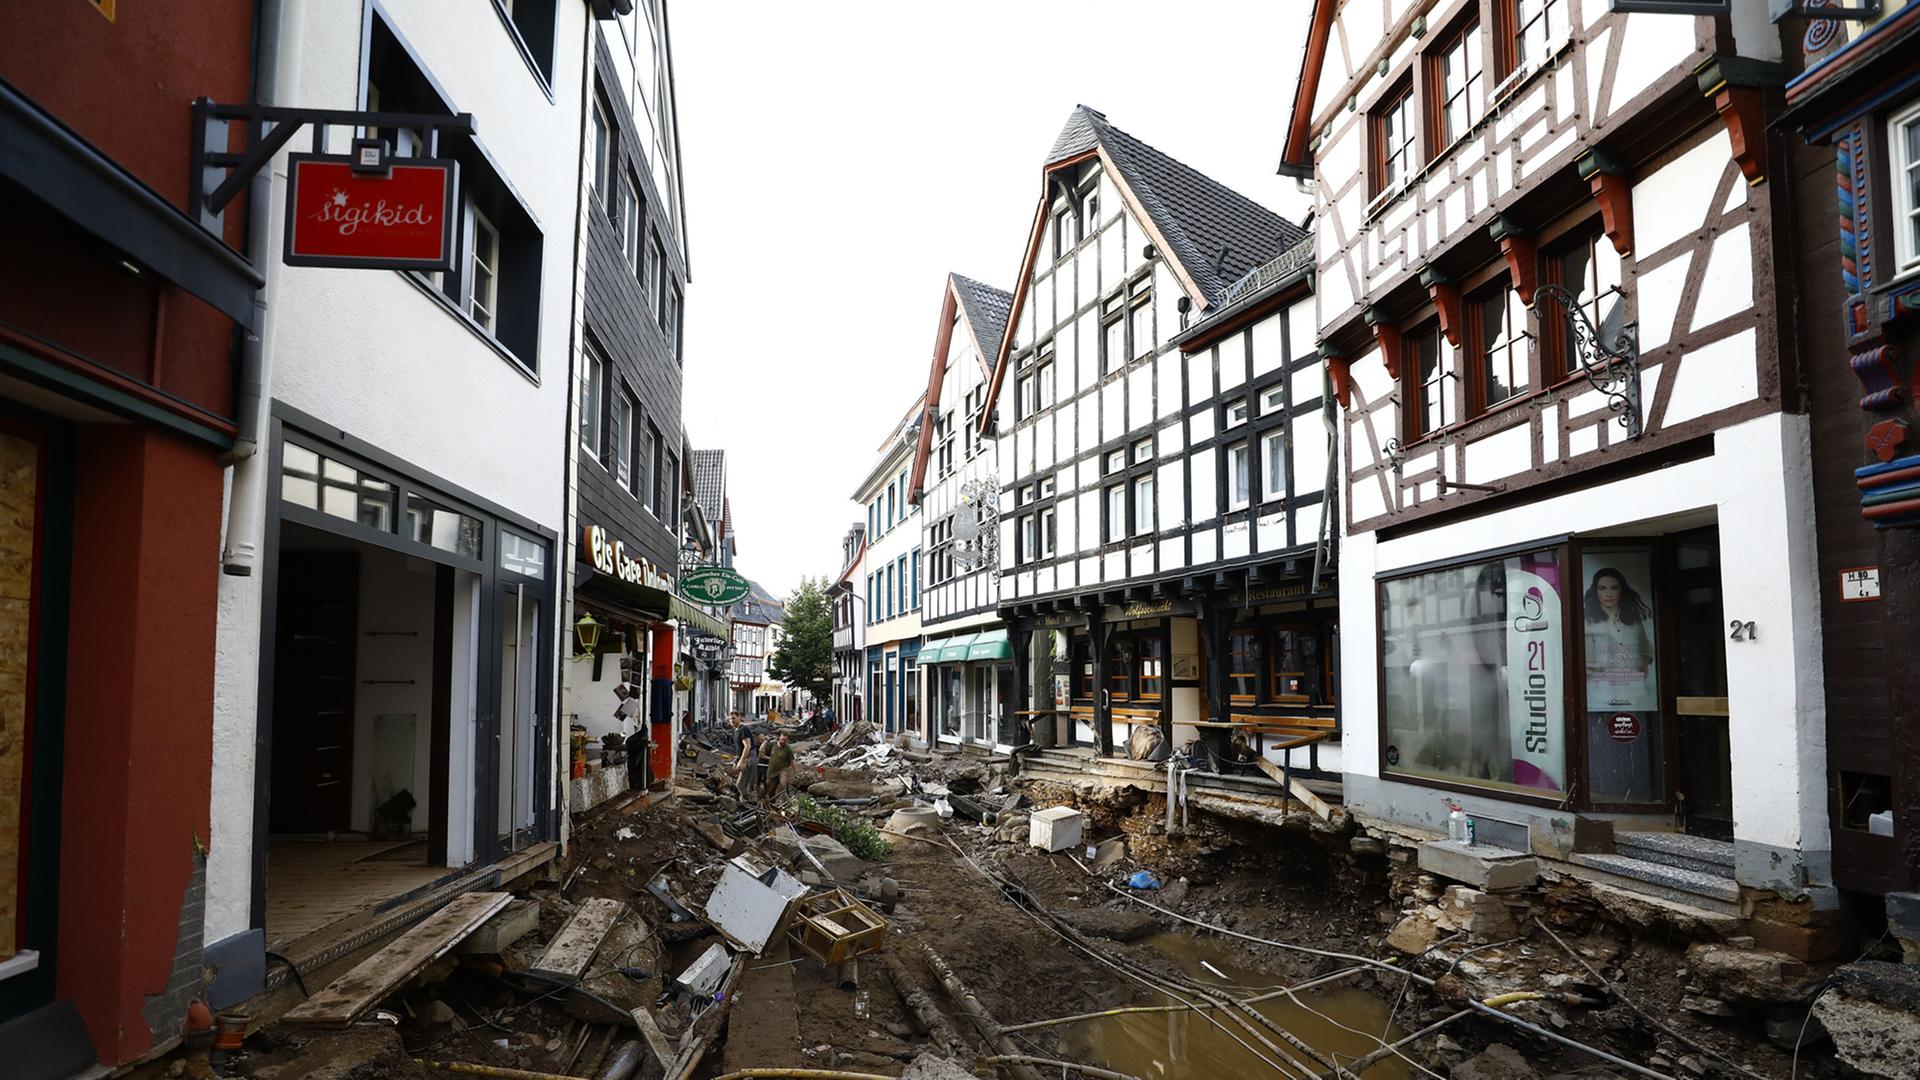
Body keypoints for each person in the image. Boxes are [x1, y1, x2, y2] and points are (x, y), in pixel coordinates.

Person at [729, 711, 759, 800]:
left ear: (739, 717)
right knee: (741, 785)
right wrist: (736, 761)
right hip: (745, 758)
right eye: (730, 719)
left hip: (749, 759)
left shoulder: (743, 729)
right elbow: (740, 750)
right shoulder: (737, 731)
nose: (731, 721)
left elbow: (747, 746)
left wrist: (741, 761)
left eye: (733, 718)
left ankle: (751, 803)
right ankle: (747, 802)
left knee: (747, 784)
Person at [763, 732, 794, 801]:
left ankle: (786, 801)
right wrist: (765, 741)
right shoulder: (773, 745)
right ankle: (770, 801)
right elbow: (762, 752)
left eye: (785, 740)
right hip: (772, 770)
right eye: (782, 740)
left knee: (783, 785)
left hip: (782, 769)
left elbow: (791, 761)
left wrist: (794, 772)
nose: (783, 742)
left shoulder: (788, 749)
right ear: (779, 738)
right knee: (769, 787)